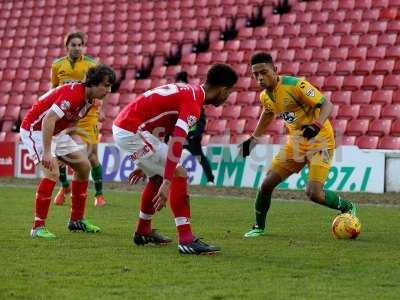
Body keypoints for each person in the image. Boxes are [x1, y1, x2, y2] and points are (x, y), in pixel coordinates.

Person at [113, 64, 238, 254]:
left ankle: (143, 230)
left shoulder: (191, 92)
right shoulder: (193, 102)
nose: (227, 97)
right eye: (229, 93)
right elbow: (177, 142)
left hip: (128, 128)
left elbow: (165, 128)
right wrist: (167, 181)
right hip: (132, 130)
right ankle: (186, 239)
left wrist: (148, 163)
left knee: (156, 177)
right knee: (178, 172)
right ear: (223, 89)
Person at [239, 52, 357, 238]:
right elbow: (268, 113)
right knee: (266, 184)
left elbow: (327, 105)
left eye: (264, 72)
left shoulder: (296, 85)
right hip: (295, 145)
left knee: (314, 193)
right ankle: (258, 227)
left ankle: (348, 206)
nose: (260, 77)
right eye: (256, 74)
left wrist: (316, 125)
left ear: (275, 70)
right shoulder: (265, 96)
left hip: (321, 142)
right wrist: (253, 139)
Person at [20, 64, 116, 239]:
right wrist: (49, 153)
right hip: (35, 129)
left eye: (110, 86)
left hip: (56, 131)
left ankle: (77, 220)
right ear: (93, 83)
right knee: (52, 173)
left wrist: (66, 149)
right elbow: (48, 119)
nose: (108, 90)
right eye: (106, 85)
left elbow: (71, 123)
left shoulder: (90, 102)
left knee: (84, 166)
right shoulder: (73, 94)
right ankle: (37, 227)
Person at [51, 31, 106, 207]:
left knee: (91, 156)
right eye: (73, 45)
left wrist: (100, 108)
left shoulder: (92, 64)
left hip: (88, 115)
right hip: (66, 115)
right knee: (60, 155)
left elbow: (101, 87)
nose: (77, 48)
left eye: (80, 45)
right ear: (67, 46)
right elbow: (53, 90)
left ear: (83, 46)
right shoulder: (57, 65)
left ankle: (99, 194)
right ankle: (65, 188)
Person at [175, 71, 214, 183]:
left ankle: (210, 180)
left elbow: (201, 118)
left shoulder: (193, 97)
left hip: (191, 137)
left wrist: (196, 135)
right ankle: (165, 178)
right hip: (180, 135)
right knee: (170, 157)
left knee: (200, 158)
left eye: (180, 82)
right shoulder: (177, 98)